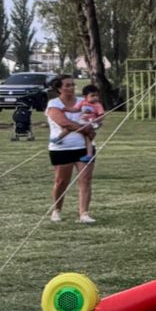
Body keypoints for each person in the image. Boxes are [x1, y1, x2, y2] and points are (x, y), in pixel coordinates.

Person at [45, 75, 97, 223]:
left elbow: (93, 117)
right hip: (62, 148)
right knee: (61, 181)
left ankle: (84, 214)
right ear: (59, 88)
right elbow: (64, 122)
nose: (72, 88)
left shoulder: (83, 101)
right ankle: (57, 210)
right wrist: (85, 129)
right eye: (67, 85)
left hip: (84, 147)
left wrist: (94, 124)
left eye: (73, 85)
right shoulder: (53, 104)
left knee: (85, 179)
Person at [77, 84, 104, 163]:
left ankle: (89, 155)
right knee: (70, 127)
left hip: (91, 122)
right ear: (85, 96)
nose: (95, 97)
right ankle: (59, 138)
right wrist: (66, 109)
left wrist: (97, 122)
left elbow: (101, 115)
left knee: (87, 138)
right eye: (92, 95)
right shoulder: (83, 102)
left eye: (97, 95)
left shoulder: (97, 105)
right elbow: (75, 109)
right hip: (82, 121)